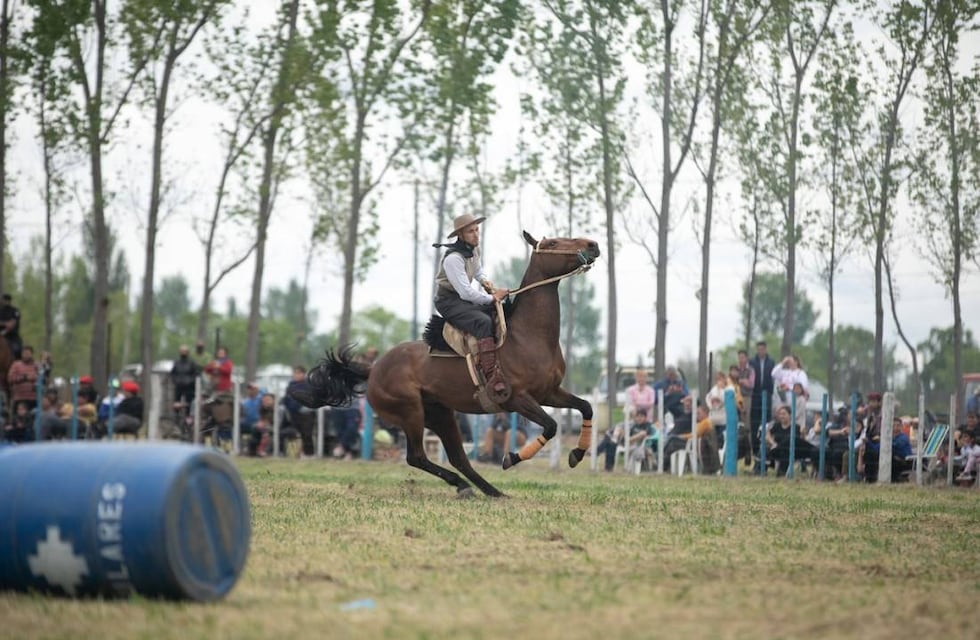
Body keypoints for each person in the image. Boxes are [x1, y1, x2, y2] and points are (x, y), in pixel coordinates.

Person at [432, 213, 510, 402]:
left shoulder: (474, 249)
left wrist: (484, 281)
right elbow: (466, 293)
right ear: (460, 234)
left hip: (461, 299)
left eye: (477, 230)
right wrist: (492, 298)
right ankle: (491, 375)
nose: (476, 235)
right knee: (483, 322)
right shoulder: (453, 259)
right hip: (448, 302)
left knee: (501, 312)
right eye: (471, 231)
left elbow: (477, 270)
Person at [749, 341, 775, 454]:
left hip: (767, 395)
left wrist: (770, 392)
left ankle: (767, 449)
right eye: (759, 349)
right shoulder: (752, 362)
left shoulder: (771, 362)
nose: (761, 351)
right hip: (755, 395)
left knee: (767, 422)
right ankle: (755, 450)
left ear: (766, 349)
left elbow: (773, 378)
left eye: (762, 349)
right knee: (754, 422)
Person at [7, 345, 39, 415]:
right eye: (24, 353)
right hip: (19, 398)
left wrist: (35, 378)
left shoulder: (36, 365)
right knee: (19, 420)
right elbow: (10, 378)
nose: (26, 355)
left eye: (28, 354)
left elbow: (42, 377)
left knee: (32, 418)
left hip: (33, 398)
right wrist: (25, 378)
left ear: (31, 354)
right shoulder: (16, 364)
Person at [170, 345, 200, 415]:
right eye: (182, 351)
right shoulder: (177, 363)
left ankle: (188, 420)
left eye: (185, 351)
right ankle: (176, 420)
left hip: (189, 387)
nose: (183, 353)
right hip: (178, 386)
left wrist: (190, 381)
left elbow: (196, 374)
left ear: (188, 352)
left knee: (188, 405)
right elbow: (172, 373)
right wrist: (175, 380)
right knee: (176, 404)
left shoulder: (192, 363)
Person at [736, 349, 755, 427]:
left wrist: (741, 381)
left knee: (745, 419)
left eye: (742, 357)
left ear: (747, 358)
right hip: (736, 397)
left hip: (746, 397)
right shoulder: (736, 369)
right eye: (739, 357)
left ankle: (746, 438)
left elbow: (751, 384)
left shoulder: (750, 370)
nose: (741, 360)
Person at [0, 293, 22, 360]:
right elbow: (8, 323)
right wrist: (6, 323)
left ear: (8, 300)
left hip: (12, 336)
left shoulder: (15, 311)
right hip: (0, 335)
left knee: (17, 350)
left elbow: (12, 325)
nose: (2, 301)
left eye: (3, 300)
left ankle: (17, 367)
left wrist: (4, 326)